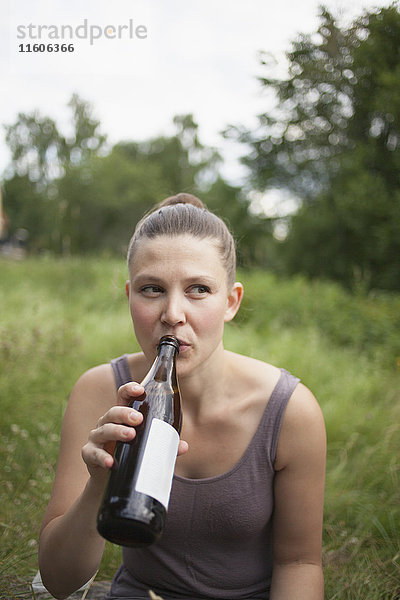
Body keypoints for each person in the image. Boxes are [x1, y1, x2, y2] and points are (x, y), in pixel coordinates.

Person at [38, 193, 326, 600]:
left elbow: (299, 564)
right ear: (129, 296)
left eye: (198, 289)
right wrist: (99, 483)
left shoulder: (290, 411)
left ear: (231, 302)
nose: (173, 313)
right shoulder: (100, 392)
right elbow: (59, 581)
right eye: (152, 289)